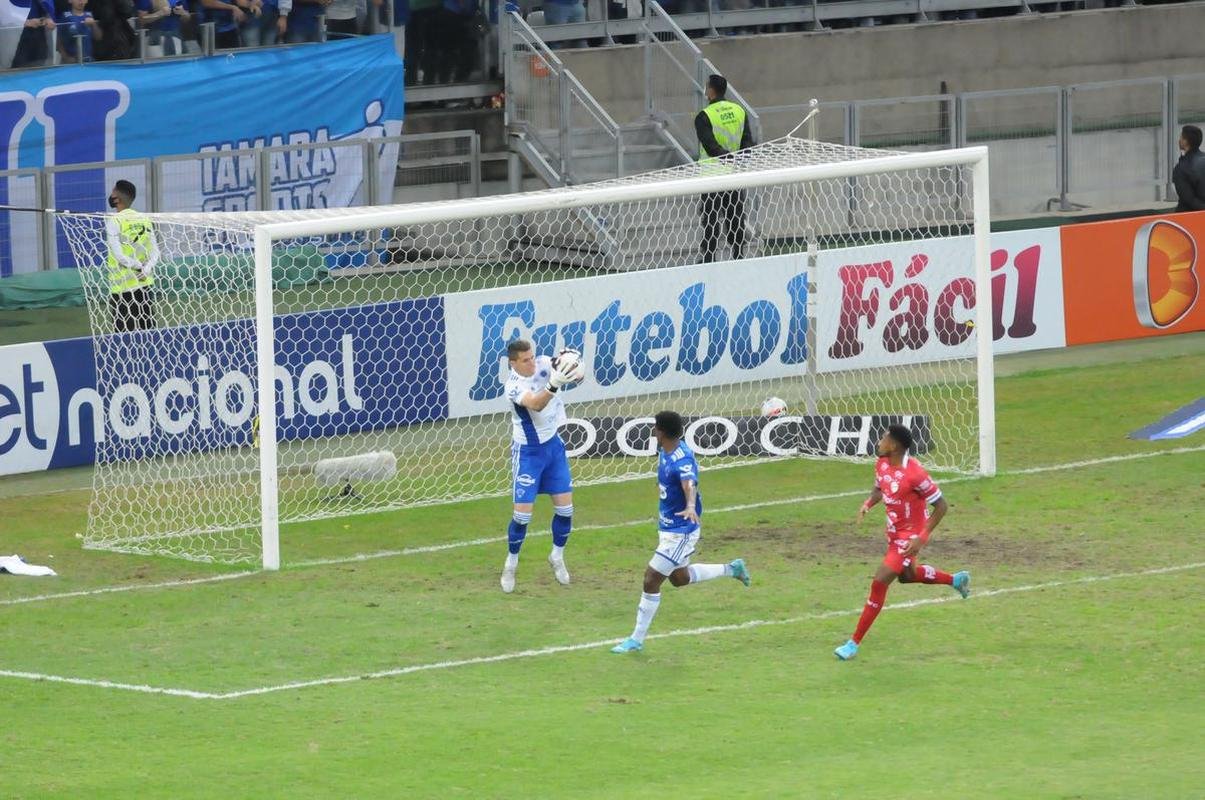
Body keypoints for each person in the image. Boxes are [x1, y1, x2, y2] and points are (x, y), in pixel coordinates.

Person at [611, 410, 751, 654]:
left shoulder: (682, 459)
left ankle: (636, 639)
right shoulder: (667, 450)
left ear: (661, 432)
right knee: (679, 578)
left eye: (655, 427)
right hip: (667, 527)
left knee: (651, 579)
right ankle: (732, 568)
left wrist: (689, 504)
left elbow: (689, 482)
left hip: (681, 530)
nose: (654, 431)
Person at [833, 424, 969, 661]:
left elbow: (941, 506)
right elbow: (880, 490)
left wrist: (921, 537)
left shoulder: (915, 474)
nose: (879, 440)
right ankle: (956, 580)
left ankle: (853, 644)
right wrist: (868, 503)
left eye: (884, 437)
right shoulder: (882, 463)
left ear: (894, 445)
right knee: (907, 576)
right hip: (894, 533)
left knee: (879, 582)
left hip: (910, 537)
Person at [500, 340, 585, 594]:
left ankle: (557, 556)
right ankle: (511, 563)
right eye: (526, 360)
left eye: (533, 357)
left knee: (566, 511)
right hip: (528, 453)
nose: (532, 363)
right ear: (513, 363)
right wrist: (554, 383)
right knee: (522, 517)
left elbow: (579, 376)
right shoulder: (512, 386)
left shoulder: (545, 364)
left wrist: (573, 363)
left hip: (554, 450)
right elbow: (536, 403)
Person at [694, 74, 754, 263]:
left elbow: (710, 147)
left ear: (710, 90)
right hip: (734, 176)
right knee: (735, 217)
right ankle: (738, 256)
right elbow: (747, 143)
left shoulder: (704, 116)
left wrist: (724, 158)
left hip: (711, 177)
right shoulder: (739, 111)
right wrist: (736, 161)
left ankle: (709, 259)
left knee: (711, 220)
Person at [105, 180, 159, 333]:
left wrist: (137, 266)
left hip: (122, 289)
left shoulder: (114, 221)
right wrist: (146, 268)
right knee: (149, 334)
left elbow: (119, 256)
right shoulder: (144, 219)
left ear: (117, 199)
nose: (110, 196)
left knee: (122, 339)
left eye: (112, 193)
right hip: (143, 285)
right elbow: (155, 252)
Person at [10, 0, 58, 68]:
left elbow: (49, 15)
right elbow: (5, 16)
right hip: (16, 38)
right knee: (18, 69)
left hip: (38, 37)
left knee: (39, 68)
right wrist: (26, 22)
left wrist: (49, 18)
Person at [1173, 124, 1205, 213]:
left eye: (1181, 137)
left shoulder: (1181, 168)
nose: (1179, 140)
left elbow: (1189, 200)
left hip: (1189, 217)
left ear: (1185, 142)